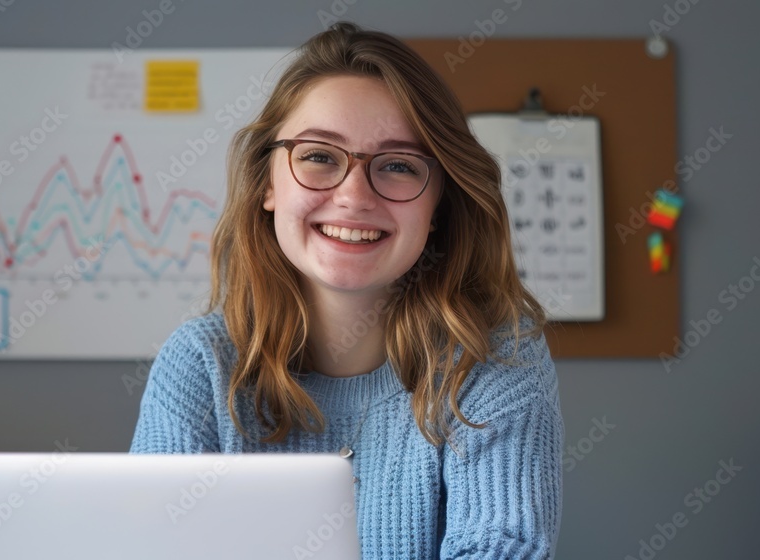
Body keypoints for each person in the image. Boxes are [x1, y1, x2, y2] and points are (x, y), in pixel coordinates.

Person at [130, 22, 564, 559]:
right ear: (268, 183)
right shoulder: (200, 366)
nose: (353, 196)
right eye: (318, 156)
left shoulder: (495, 359)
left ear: (438, 208)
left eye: (399, 165)